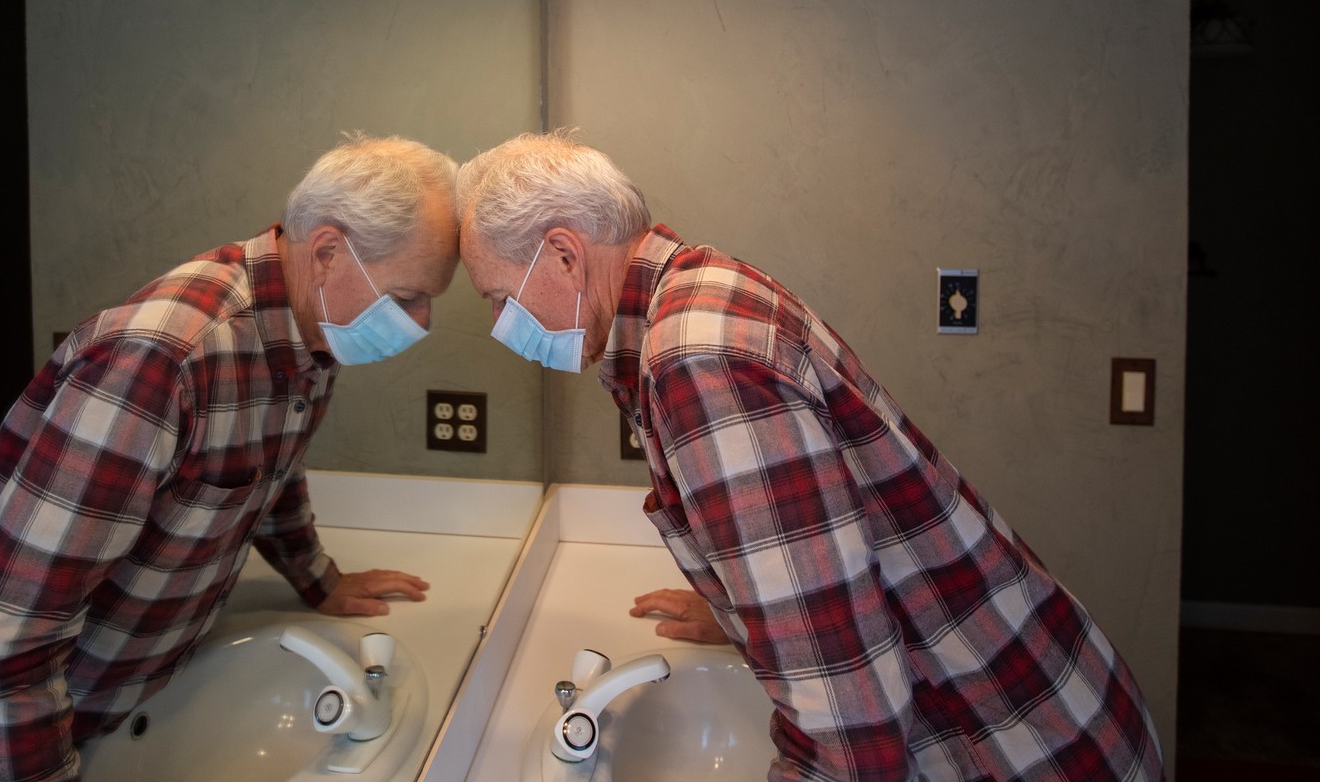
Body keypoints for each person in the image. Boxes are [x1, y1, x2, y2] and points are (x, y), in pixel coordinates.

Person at [456, 131, 1164, 782]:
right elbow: (827, 536)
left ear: (563, 254)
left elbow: (851, 735)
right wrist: (755, 608)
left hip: (1024, 749)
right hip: (1048, 703)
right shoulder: (701, 290)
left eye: (496, 297)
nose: (499, 324)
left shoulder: (696, 362)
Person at [0, 135, 458, 782]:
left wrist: (319, 578)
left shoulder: (312, 332)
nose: (421, 323)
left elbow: (266, 470)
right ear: (329, 252)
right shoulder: (163, 359)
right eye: (405, 298)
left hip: (88, 710)